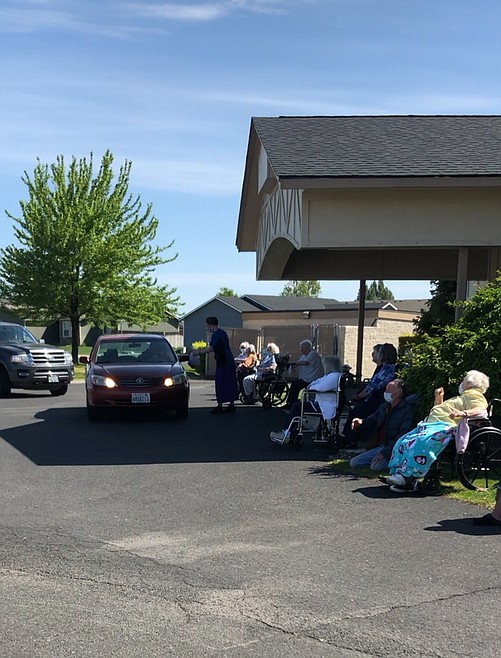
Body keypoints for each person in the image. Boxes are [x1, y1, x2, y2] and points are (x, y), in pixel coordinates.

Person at [386, 370, 490, 493]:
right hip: (431, 425)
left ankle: (407, 476)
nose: (461, 383)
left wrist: (463, 413)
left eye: (464, 380)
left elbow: (480, 409)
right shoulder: (463, 397)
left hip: (444, 427)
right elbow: (439, 410)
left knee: (421, 441)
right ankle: (401, 474)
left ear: (469, 383)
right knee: (403, 440)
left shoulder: (475, 396)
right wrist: (438, 398)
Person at [270, 355, 342, 444]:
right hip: (322, 402)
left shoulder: (334, 376)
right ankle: (288, 431)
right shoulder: (330, 376)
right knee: (298, 406)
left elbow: (321, 387)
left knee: (297, 407)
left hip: (324, 405)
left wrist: (311, 387)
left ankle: (286, 433)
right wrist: (311, 385)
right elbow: (317, 381)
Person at [348, 379, 416, 471]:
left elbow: (402, 437)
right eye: (386, 390)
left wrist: (384, 453)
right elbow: (372, 419)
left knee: (376, 467)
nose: (386, 393)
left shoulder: (407, 410)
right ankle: (380, 460)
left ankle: (394, 463)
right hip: (380, 447)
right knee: (354, 462)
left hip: (394, 448)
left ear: (399, 392)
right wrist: (361, 422)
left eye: (389, 390)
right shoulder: (384, 407)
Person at [342, 342, 398, 447]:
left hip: (377, 401)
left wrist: (357, 396)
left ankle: (350, 439)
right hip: (375, 399)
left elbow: (372, 387)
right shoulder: (385, 368)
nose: (373, 354)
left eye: (376, 352)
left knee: (356, 411)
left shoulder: (387, 369)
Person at [191, 317, 238, 413]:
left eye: (208, 326)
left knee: (220, 382)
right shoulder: (223, 333)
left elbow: (211, 348)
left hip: (223, 361)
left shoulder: (216, 335)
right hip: (229, 360)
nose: (207, 328)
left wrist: (198, 352)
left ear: (211, 325)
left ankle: (220, 405)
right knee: (229, 382)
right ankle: (231, 404)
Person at [285, 339, 324, 408]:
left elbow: (305, 362)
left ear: (307, 348)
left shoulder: (313, 354)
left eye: (302, 348)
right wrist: (293, 366)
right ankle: (291, 403)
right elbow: (299, 362)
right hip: (307, 377)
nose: (300, 350)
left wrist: (294, 364)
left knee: (295, 385)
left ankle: (291, 403)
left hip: (313, 378)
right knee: (295, 384)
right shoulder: (305, 355)